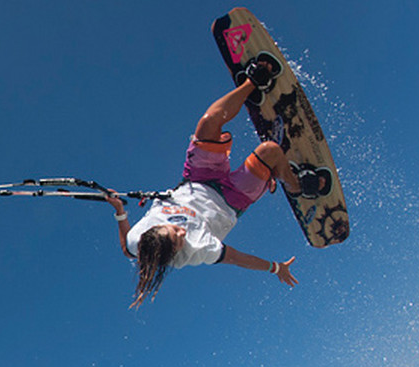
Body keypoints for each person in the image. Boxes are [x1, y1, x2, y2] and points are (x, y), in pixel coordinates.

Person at [108, 62, 304, 308]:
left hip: (198, 179)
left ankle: (253, 82)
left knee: (208, 123)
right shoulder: (198, 248)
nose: (182, 232)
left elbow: (126, 247)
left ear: (152, 231)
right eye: (179, 239)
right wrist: (275, 268)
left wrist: (119, 211)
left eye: (173, 230)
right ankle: (296, 184)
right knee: (270, 151)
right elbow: (237, 258)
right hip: (231, 200)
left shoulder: (138, 241)